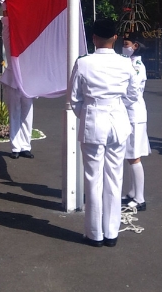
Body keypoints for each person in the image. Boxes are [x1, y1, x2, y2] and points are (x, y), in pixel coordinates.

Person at [70, 19, 139, 247]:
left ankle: (94, 233)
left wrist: (89, 113)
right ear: (116, 38)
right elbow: (133, 95)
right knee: (114, 176)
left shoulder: (83, 63)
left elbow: (74, 99)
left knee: (93, 178)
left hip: (94, 117)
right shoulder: (125, 63)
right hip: (118, 119)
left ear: (93, 38)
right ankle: (111, 232)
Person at [121, 33, 149, 211]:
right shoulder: (129, 63)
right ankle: (132, 192)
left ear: (135, 46)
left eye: (126, 44)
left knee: (134, 156)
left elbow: (133, 94)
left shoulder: (137, 66)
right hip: (129, 114)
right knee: (129, 156)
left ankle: (140, 198)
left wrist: (117, 100)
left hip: (134, 115)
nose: (124, 47)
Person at [1, 12, 34, 159]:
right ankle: (16, 147)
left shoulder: (31, 43)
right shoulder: (10, 41)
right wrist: (6, 11)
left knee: (27, 115)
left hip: (28, 81)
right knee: (15, 113)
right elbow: (6, 30)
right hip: (13, 80)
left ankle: (25, 146)